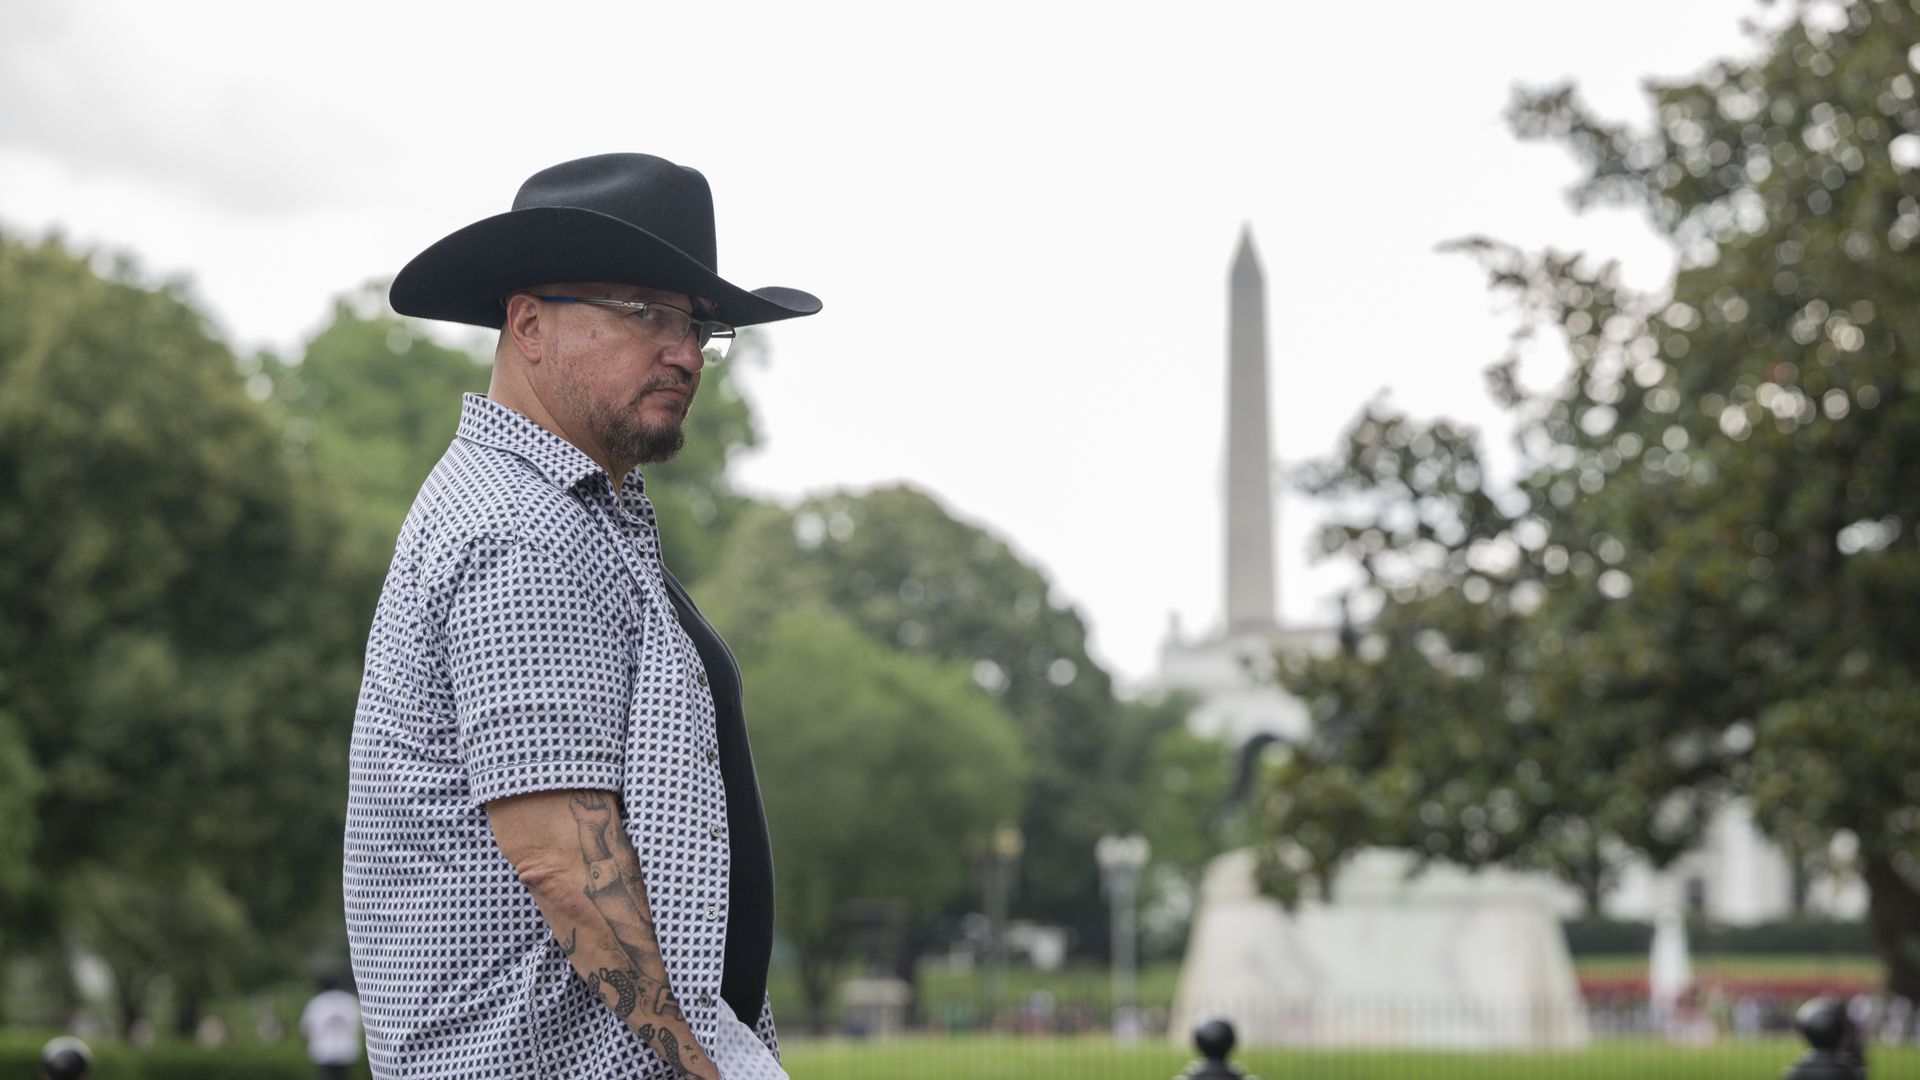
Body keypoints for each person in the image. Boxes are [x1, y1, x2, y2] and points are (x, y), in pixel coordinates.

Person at [344, 153, 820, 1079]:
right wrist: (701, 1068)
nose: (684, 352)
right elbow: (565, 863)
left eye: (697, 326)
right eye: (646, 312)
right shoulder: (521, 528)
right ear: (528, 322)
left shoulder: (569, 511)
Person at [298, 976, 362, 1080]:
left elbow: (305, 1028)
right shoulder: (350, 1001)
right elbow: (359, 1025)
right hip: (347, 1049)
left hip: (323, 1050)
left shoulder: (316, 1003)